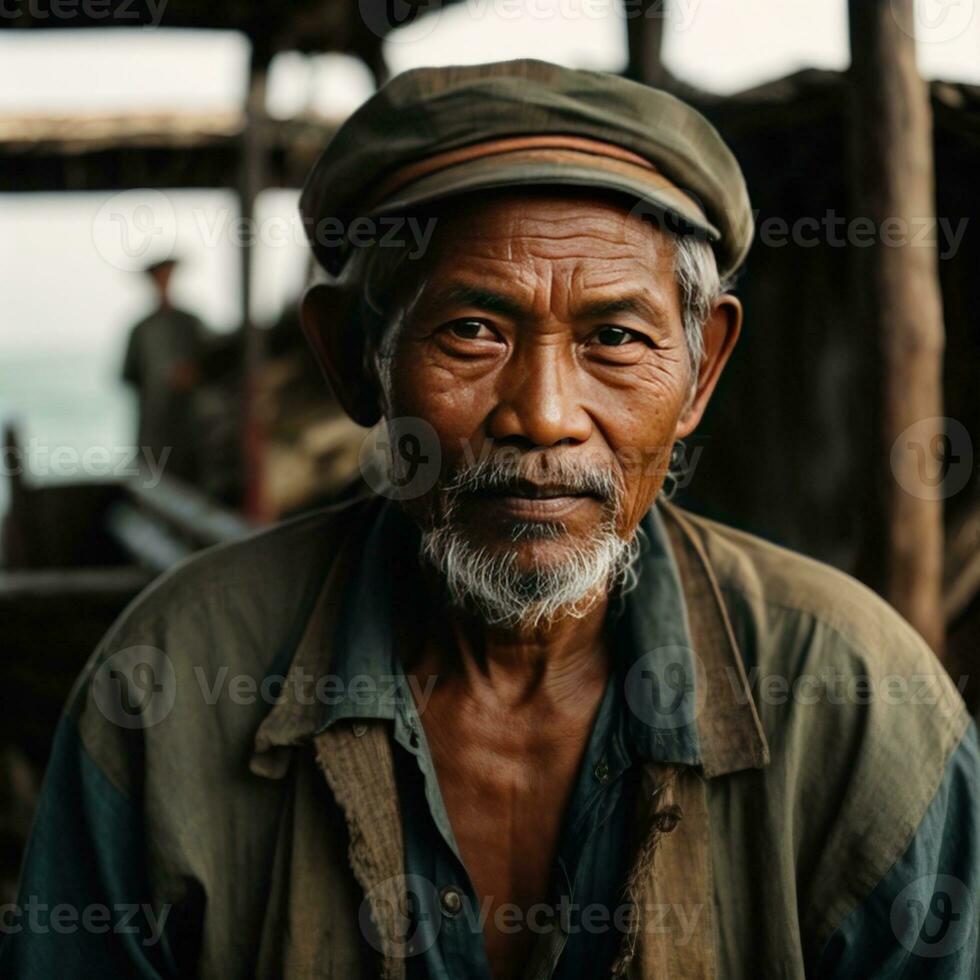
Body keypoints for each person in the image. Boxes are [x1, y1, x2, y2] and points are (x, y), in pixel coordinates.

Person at [3, 60, 977, 979]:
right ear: (350, 357)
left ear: (700, 372)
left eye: (614, 338)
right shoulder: (167, 688)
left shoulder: (853, 697)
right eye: (472, 330)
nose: (542, 414)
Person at [121, 258, 206, 483]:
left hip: (189, 424)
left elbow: (210, 366)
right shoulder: (141, 330)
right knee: (155, 479)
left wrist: (191, 377)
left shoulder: (191, 323)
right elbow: (128, 375)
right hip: (154, 427)